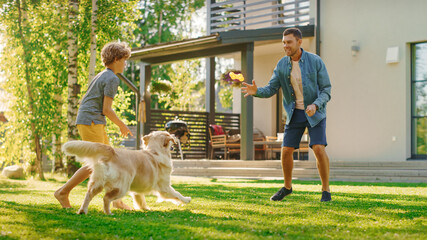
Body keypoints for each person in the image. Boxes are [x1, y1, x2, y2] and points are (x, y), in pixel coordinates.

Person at [241, 28, 332, 202]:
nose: (285, 46)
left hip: (315, 112)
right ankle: (287, 187)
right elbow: (271, 89)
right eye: (283, 42)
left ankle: (325, 190)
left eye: (288, 42)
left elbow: (326, 90)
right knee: (286, 150)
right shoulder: (282, 65)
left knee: (318, 149)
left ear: (299, 42)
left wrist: (315, 104)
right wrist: (256, 91)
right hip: (294, 113)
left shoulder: (315, 61)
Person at [54, 42, 134, 209]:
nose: (126, 64)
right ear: (117, 59)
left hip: (91, 120)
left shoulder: (102, 75)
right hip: (91, 121)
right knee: (97, 164)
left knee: (108, 161)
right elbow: (107, 109)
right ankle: (63, 192)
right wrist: (122, 125)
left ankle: (116, 199)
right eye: (125, 60)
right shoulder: (111, 78)